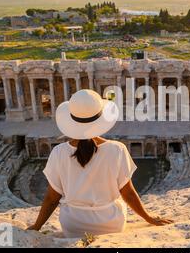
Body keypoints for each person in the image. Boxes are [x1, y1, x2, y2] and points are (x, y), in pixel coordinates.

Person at [27, 90, 173, 238]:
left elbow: (52, 198)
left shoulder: (58, 152)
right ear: (100, 118)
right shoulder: (117, 149)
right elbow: (127, 193)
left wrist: (36, 226)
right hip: (110, 223)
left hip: (73, 225)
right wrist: (149, 218)